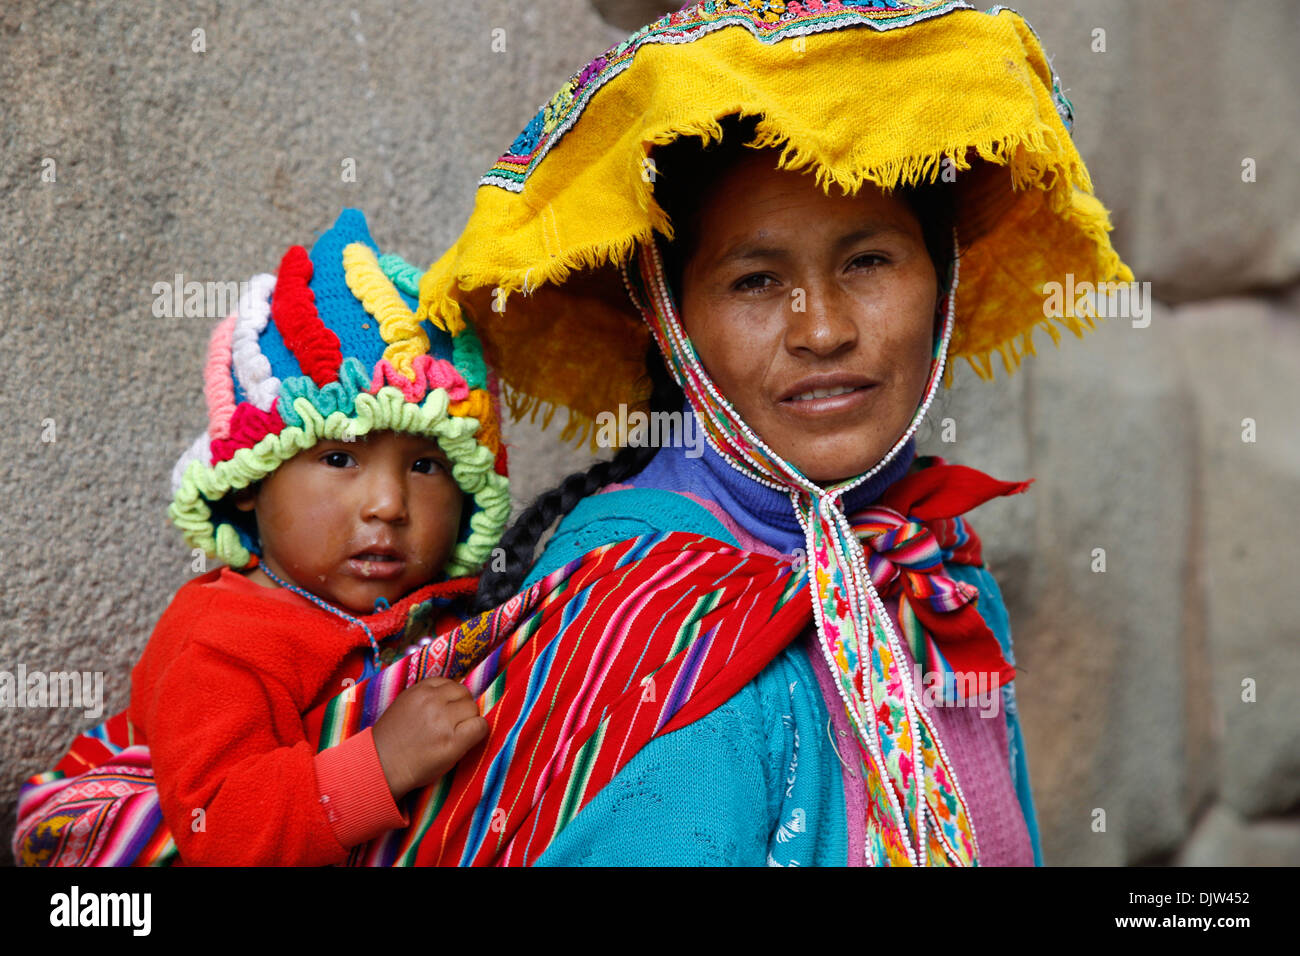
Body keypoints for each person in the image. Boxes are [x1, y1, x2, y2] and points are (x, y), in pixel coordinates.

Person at [405, 1, 1132, 865]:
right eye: (755, 281)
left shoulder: (931, 572)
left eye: (868, 261)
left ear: (942, 282)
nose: (821, 329)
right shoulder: (647, 625)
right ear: (669, 319)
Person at [12, 208, 511, 866]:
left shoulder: (458, 609)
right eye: (339, 459)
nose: (389, 504)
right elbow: (215, 831)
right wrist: (379, 765)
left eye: (426, 466)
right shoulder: (224, 636)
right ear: (251, 479)